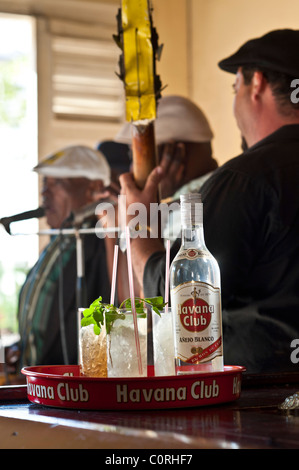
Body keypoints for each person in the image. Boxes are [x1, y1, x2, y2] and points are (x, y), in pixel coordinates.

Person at [119, 29, 299, 374]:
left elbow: (174, 299)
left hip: (260, 402)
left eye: (236, 88)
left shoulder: (247, 180)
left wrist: (138, 225)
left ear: (256, 83)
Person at [13, 145, 114, 369]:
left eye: (56, 183)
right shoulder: (58, 241)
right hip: (37, 379)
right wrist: (21, 349)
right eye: (44, 184)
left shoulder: (102, 241)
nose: (44, 193)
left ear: (94, 188)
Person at [115, 95, 218, 243]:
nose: (132, 168)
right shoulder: (219, 187)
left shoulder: (192, 207)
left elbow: (143, 266)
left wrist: (138, 217)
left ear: (177, 153)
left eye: (138, 156)